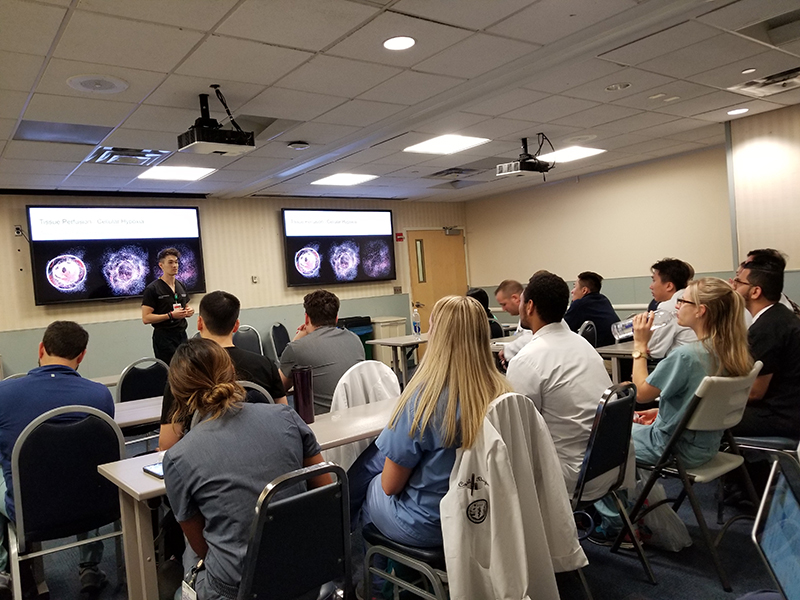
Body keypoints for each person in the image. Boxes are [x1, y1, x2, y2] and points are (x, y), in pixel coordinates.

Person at [163, 338, 329, 600]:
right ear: (232, 372)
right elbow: (327, 493)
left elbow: (203, 548)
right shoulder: (286, 417)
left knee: (187, 558)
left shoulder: (178, 458)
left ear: (178, 392)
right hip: (308, 575)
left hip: (240, 590)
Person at [594, 278, 753, 542]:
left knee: (601, 436)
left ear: (701, 310)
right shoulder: (731, 351)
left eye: (683, 301)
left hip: (673, 449)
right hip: (708, 445)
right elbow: (703, 401)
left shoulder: (688, 356)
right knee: (621, 432)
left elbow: (642, 392)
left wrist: (639, 346)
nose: (676, 306)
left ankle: (616, 525)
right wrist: (663, 413)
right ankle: (635, 510)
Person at [349, 295, 512, 549]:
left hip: (430, 526)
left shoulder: (423, 400)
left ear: (436, 335)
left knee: (371, 486)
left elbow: (390, 486)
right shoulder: (504, 394)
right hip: (486, 514)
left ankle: (379, 585)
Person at [0, 321, 115, 596]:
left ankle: (4, 570)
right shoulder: (100, 395)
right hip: (95, 503)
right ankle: (90, 567)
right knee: (87, 468)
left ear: (41, 348)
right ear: (82, 356)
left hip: (29, 510)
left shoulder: (4, 394)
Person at [506, 271, 613, 498]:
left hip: (570, 475)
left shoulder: (526, 360)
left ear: (530, 306)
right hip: (609, 464)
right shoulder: (583, 345)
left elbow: (518, 433)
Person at [158, 290, 287, 451]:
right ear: (236, 326)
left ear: (199, 323)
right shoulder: (265, 365)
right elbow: (283, 416)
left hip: (205, 461)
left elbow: (167, 444)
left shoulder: (183, 372)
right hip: (263, 451)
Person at [730, 256, 800, 437]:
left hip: (780, 416)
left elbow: (754, 393)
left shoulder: (767, 327)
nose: (733, 286)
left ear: (755, 292)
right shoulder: (780, 315)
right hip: (788, 409)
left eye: (738, 281)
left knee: (701, 417)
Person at [279, 290, 365, 414]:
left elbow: (279, 387)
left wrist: (297, 338)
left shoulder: (297, 348)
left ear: (306, 318)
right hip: (357, 415)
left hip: (322, 424)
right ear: (336, 318)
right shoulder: (354, 339)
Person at [141, 248, 194, 364]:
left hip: (181, 334)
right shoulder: (153, 289)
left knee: (185, 368)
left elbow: (186, 306)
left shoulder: (181, 285)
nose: (175, 265)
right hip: (164, 337)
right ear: (161, 265)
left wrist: (189, 311)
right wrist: (170, 315)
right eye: (170, 262)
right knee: (170, 370)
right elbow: (146, 318)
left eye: (176, 262)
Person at [644, 258, 697, 359]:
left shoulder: (668, 308)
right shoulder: (694, 298)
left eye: (654, 280)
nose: (651, 286)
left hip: (684, 365)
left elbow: (654, 351)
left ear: (669, 286)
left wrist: (641, 341)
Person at [563, 271, 620, 347]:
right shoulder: (603, 299)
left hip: (602, 352)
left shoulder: (580, 304)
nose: (572, 291)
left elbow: (563, 329)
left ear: (584, 290)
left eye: (574, 287)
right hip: (615, 346)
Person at [493, 279, 532, 364]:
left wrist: (507, 351)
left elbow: (530, 339)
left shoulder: (530, 315)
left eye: (504, 304)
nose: (503, 309)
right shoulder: (524, 316)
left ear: (515, 298)